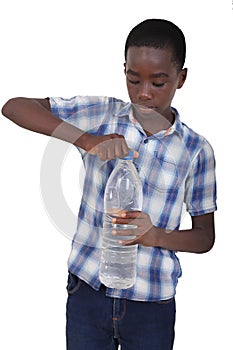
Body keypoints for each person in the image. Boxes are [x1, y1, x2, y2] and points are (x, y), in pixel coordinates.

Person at [2, 19, 217, 350]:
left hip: (152, 304)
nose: (144, 92)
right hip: (88, 293)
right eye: (133, 79)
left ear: (181, 78)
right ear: (125, 71)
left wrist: (155, 236)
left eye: (159, 83)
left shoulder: (196, 150)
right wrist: (87, 139)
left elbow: (205, 237)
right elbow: (14, 107)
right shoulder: (101, 114)